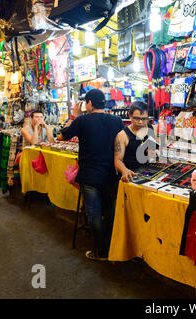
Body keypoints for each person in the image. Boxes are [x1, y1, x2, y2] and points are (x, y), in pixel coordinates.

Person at [57, 89, 124, 261]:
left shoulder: (82, 121)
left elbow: (61, 137)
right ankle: (113, 248)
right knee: (110, 212)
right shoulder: (116, 120)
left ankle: (101, 251)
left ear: (89, 103)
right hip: (111, 173)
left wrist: (74, 116)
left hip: (90, 175)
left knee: (94, 214)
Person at [114, 101, 156, 182]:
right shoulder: (122, 135)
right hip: (130, 176)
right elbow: (117, 160)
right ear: (130, 116)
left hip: (147, 175)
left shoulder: (150, 128)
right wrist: (124, 170)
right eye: (137, 118)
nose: (140, 122)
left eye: (144, 119)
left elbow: (151, 152)